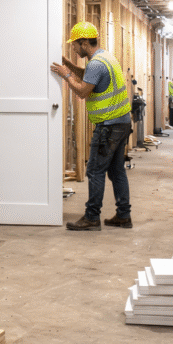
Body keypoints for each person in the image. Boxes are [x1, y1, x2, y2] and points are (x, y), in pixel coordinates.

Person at [49, 21, 133, 231]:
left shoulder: (96, 64)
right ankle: (124, 215)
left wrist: (65, 75)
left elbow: (83, 91)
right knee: (116, 171)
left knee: (95, 171)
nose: (74, 48)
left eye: (75, 45)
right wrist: (67, 63)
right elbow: (87, 76)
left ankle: (92, 217)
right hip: (121, 123)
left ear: (84, 42)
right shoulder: (105, 57)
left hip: (108, 126)